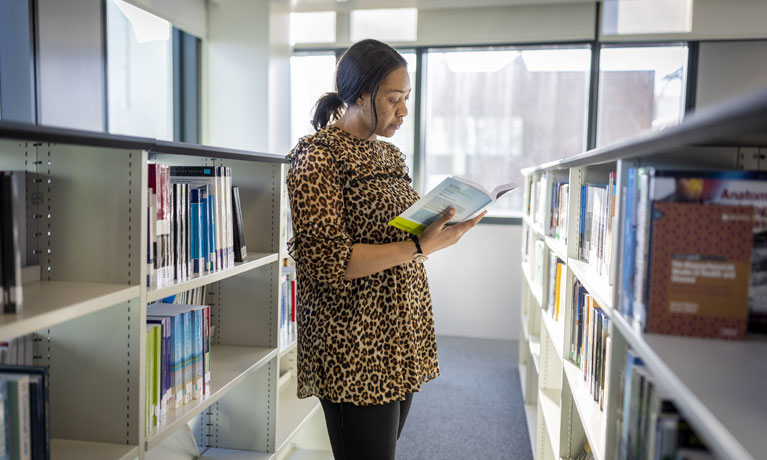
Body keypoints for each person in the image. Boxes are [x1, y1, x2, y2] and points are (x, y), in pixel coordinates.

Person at [286, 39, 486, 460]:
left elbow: (395, 234)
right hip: (353, 344)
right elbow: (326, 261)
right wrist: (417, 245)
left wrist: (439, 232)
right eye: (393, 99)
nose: (403, 111)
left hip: (400, 335)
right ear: (358, 95)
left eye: (406, 98)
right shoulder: (317, 156)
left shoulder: (390, 156)